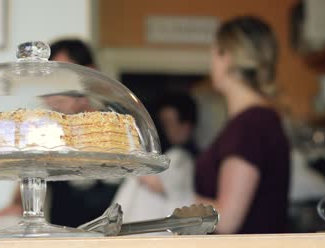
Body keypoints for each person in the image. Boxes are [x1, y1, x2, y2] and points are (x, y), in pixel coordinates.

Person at [0, 39, 119, 227]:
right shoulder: (46, 130)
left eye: (62, 78)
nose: (53, 91)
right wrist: (15, 206)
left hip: (118, 237)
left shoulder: (115, 125)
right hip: (64, 235)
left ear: (90, 73)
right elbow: (29, 175)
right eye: (49, 81)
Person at [195, 16, 290, 234]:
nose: (211, 62)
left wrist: (175, 192)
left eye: (214, 53)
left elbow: (227, 220)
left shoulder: (250, 125)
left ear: (226, 57)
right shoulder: (256, 120)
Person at [113, 93, 198, 222]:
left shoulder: (183, 157)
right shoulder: (165, 153)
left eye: (168, 123)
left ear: (185, 127)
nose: (163, 129)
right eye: (162, 122)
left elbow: (160, 184)